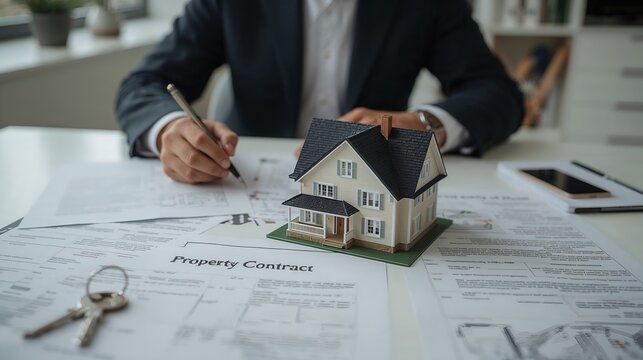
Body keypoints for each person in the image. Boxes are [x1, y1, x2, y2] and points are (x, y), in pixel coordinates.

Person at [116, 0, 524, 184]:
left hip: (372, 187)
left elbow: (499, 94)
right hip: (244, 186)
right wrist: (169, 129)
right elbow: (142, 85)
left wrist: (425, 124)